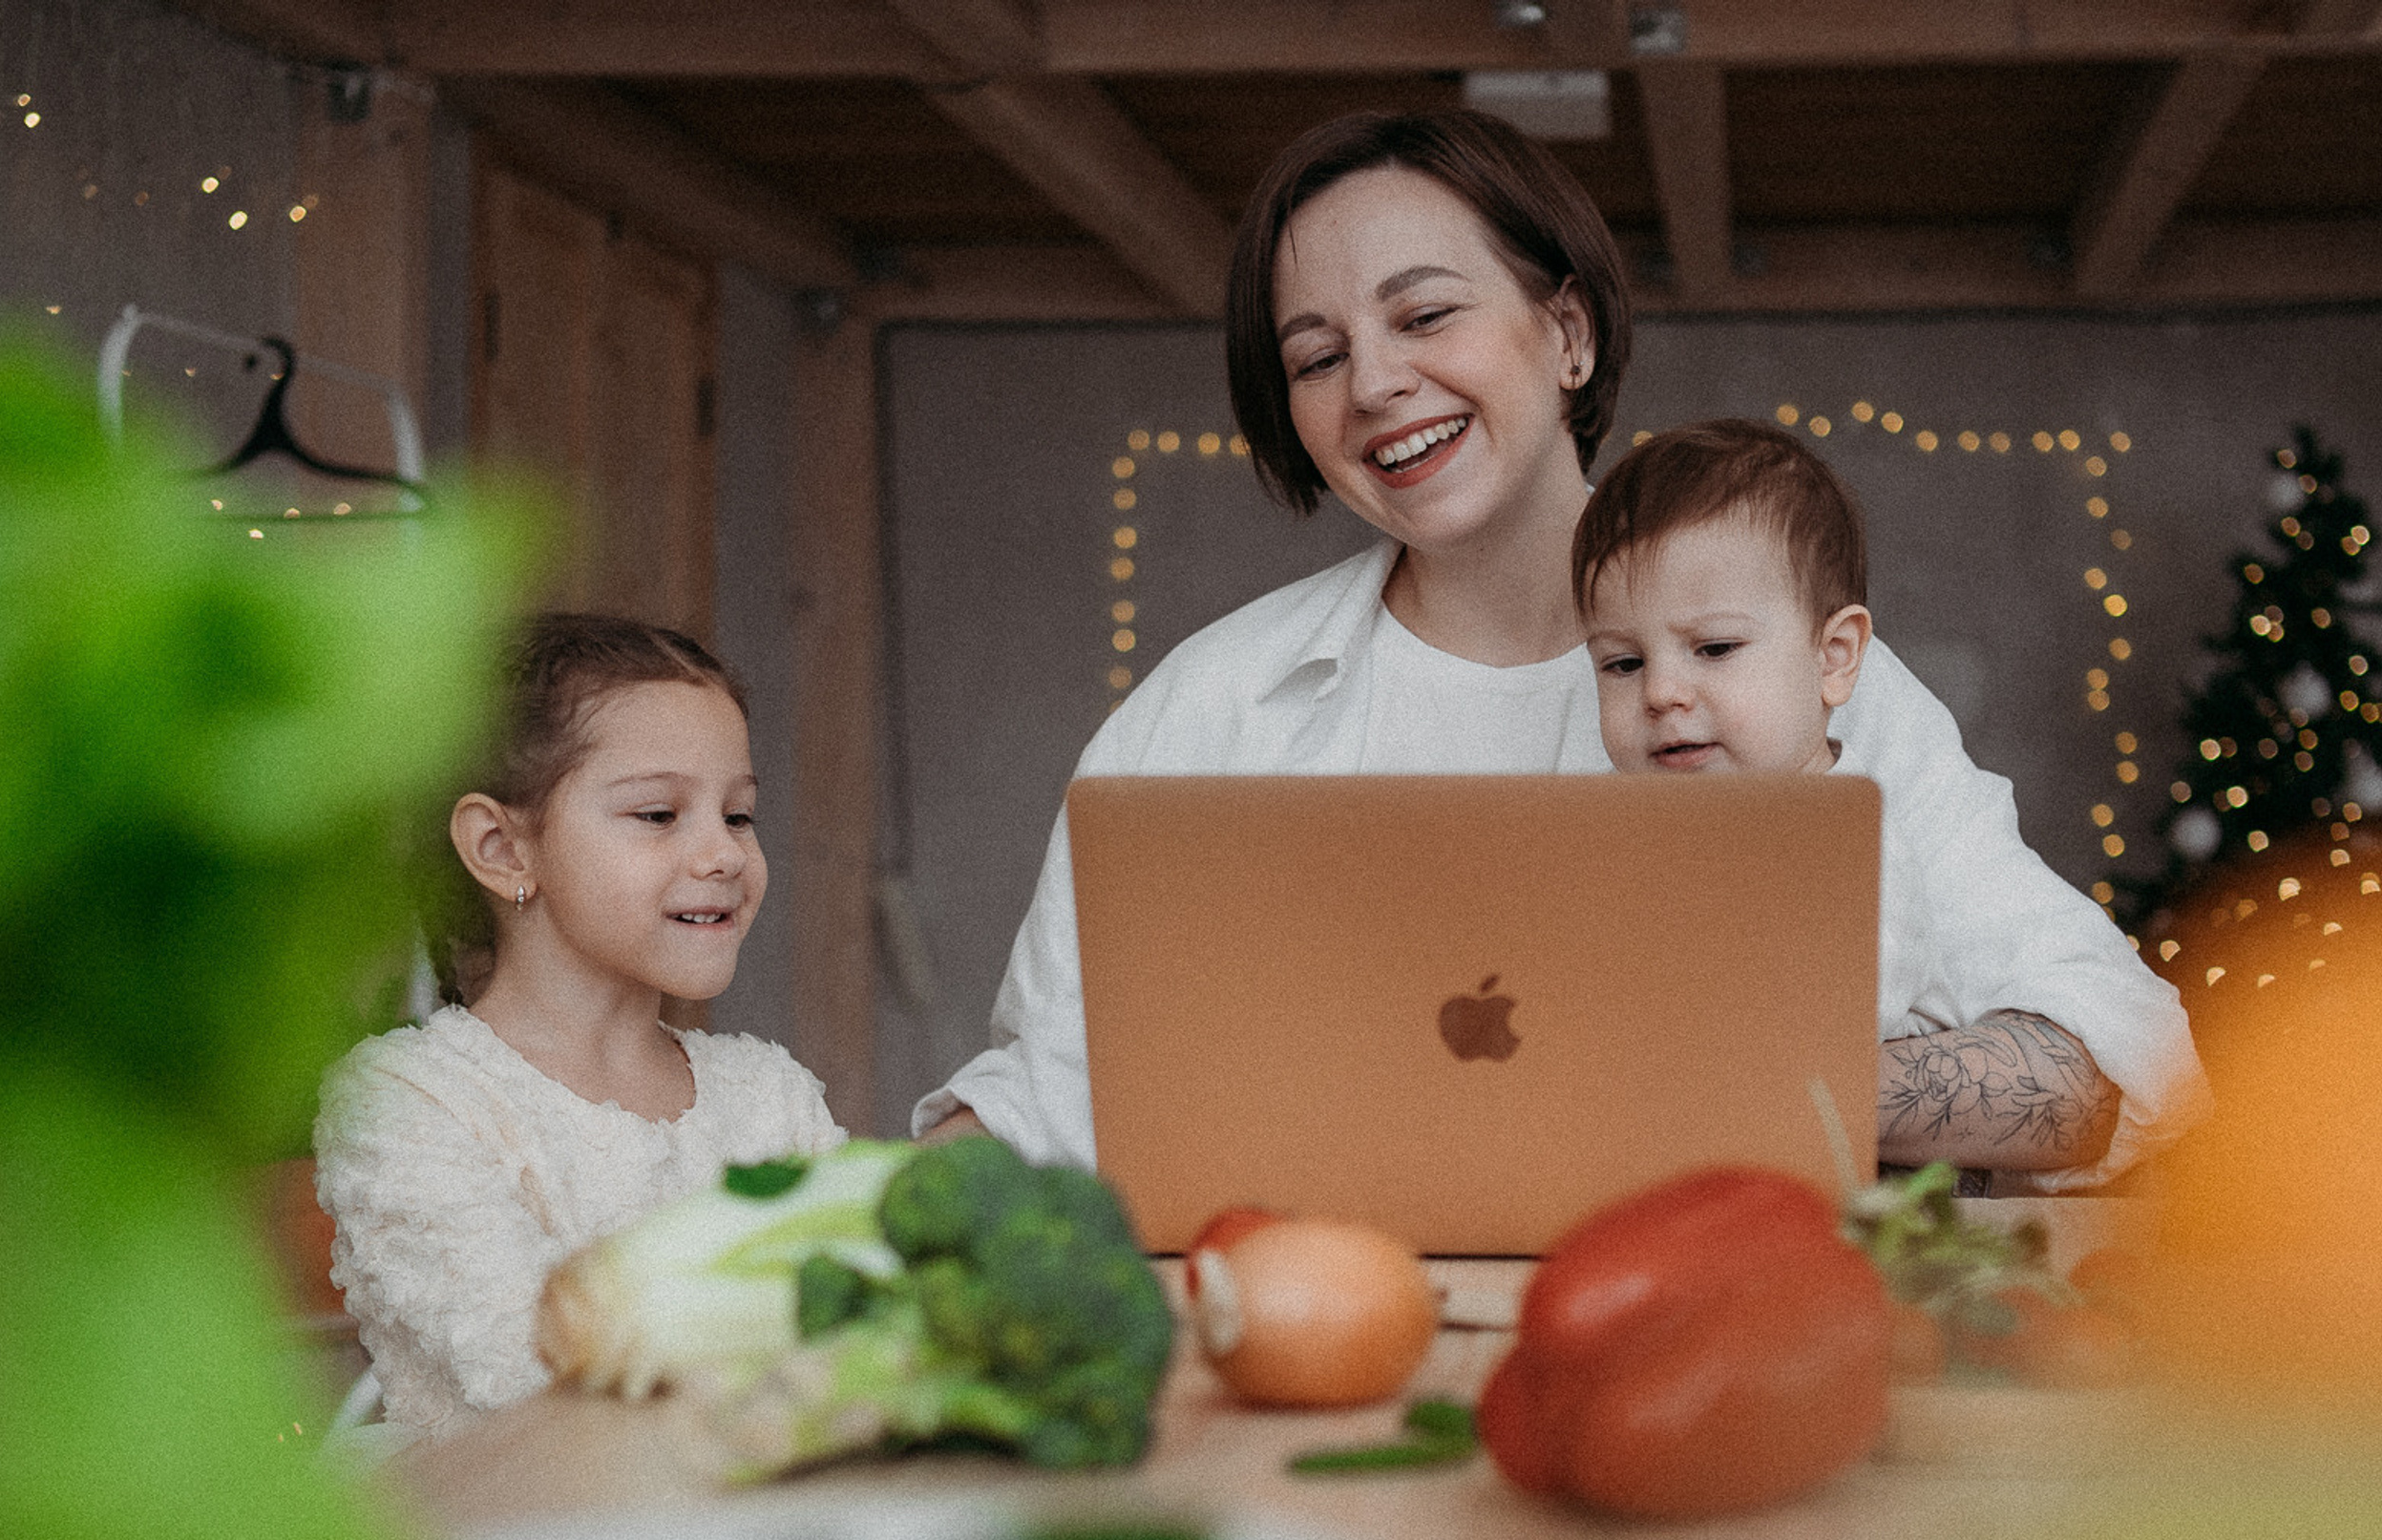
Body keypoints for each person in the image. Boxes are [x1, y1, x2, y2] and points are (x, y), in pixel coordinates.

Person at [916, 109, 2205, 1192]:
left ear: (1570, 334)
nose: (1373, 386)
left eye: (1424, 315)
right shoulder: (1210, 710)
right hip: (1323, 1348)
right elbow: (1053, 1091)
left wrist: (1786, 1088)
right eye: (1317, 357)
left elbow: (2129, 1063)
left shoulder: (1805, 688)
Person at [1574, 417, 2205, 1179]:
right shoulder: (1603, 829)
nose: (1662, 692)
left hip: (1861, 1210)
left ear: (1835, 660)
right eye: (1621, 664)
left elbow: (1815, 1033)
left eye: (1715, 649)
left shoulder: (1851, 841)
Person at [317, 615, 842, 1441]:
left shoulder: (771, 1097)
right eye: (659, 813)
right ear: (501, 849)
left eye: (739, 816)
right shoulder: (410, 1104)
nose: (725, 853)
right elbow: (535, 1379)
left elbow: (870, 1331)